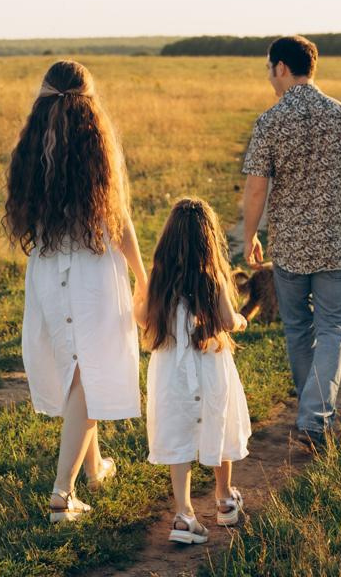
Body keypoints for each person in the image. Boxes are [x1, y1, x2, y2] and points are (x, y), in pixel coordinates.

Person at [4, 61, 147, 523]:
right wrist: (142, 277)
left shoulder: (30, 149)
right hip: (92, 270)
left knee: (78, 368)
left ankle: (94, 467)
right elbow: (118, 221)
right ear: (89, 100)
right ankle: (62, 496)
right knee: (90, 372)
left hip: (48, 270)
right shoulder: (96, 146)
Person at [242, 35, 341, 449]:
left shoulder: (270, 121)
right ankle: (315, 418)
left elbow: (256, 190)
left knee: (299, 327)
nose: (269, 76)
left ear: (282, 67)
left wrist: (250, 235)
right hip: (336, 242)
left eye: (270, 68)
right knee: (333, 327)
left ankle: (311, 415)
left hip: (290, 246)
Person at [134, 197, 251, 545]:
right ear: (209, 239)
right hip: (211, 364)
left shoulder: (158, 278)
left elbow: (142, 318)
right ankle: (224, 498)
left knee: (179, 433)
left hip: (171, 370)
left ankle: (184, 514)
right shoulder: (212, 277)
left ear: (167, 238)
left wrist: (138, 298)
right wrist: (241, 320)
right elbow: (227, 321)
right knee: (219, 422)